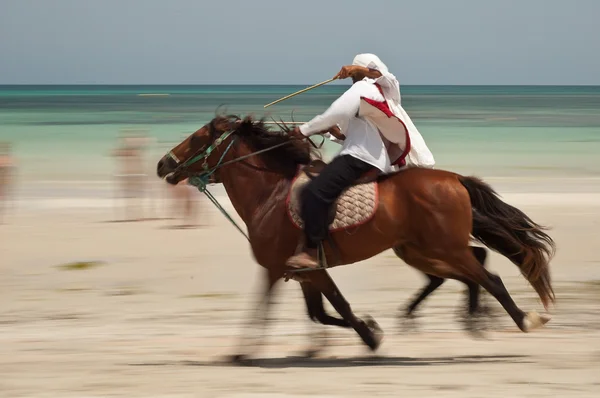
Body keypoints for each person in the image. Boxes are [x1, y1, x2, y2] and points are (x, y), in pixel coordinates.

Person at [285, 53, 435, 270]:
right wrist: (333, 133)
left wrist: (302, 130)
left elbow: (333, 113)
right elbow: (353, 132)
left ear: (360, 71)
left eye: (355, 70)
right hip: (366, 155)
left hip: (360, 158)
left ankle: (311, 251)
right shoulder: (375, 94)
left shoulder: (363, 88)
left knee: (314, 191)